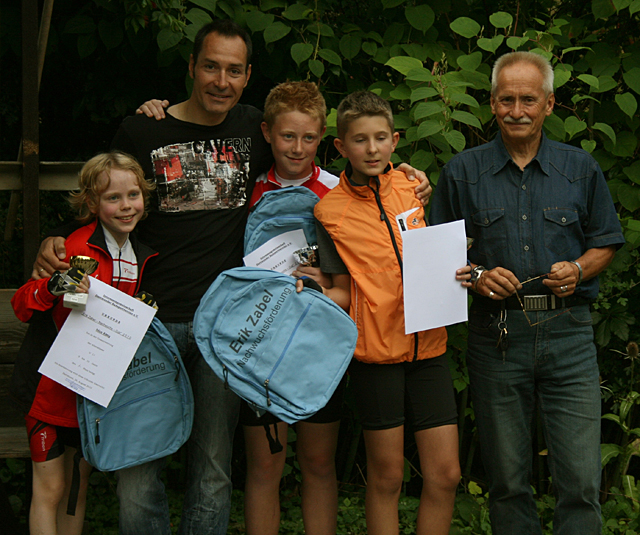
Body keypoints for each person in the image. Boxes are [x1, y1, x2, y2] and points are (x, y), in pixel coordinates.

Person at [32, 20, 432, 535]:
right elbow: (108, 194)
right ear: (192, 67)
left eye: (234, 70)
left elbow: (326, 156)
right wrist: (59, 238)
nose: (221, 80)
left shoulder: (253, 129)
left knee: (214, 468)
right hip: (146, 321)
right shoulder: (144, 130)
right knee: (138, 468)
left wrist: (406, 177)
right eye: (211, 67)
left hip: (223, 327)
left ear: (247, 79)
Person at [429, 51, 625, 535]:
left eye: (528, 100)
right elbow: (434, 254)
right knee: (507, 480)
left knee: (580, 480)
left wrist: (579, 268)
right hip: (497, 336)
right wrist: (476, 275)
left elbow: (607, 242)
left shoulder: (579, 168)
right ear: (492, 104)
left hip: (569, 335)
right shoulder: (463, 172)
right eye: (507, 99)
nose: (518, 110)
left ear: (550, 104)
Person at [312, 91, 461, 535]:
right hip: (375, 356)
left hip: (430, 348)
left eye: (380, 138)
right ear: (340, 147)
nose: (372, 149)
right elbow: (339, 288)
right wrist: (307, 286)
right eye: (360, 140)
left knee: (446, 474)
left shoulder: (413, 188)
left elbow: (434, 256)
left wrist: (460, 270)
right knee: (387, 477)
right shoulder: (328, 211)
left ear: (395, 140)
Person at [11, 151, 157, 535]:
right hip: (48, 388)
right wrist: (52, 287)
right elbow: (22, 305)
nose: (126, 206)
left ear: (144, 195)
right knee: (52, 487)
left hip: (92, 391)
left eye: (133, 195)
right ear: (92, 202)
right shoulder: (72, 249)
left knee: (77, 485)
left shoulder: (140, 251)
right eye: (113, 198)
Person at [241, 80, 345, 535]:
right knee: (265, 466)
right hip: (259, 344)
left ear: (321, 136)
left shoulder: (340, 192)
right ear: (267, 132)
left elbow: (362, 272)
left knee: (319, 462)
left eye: (308, 137)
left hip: (318, 346)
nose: (297, 148)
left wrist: (328, 280)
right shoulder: (244, 193)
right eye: (287, 136)